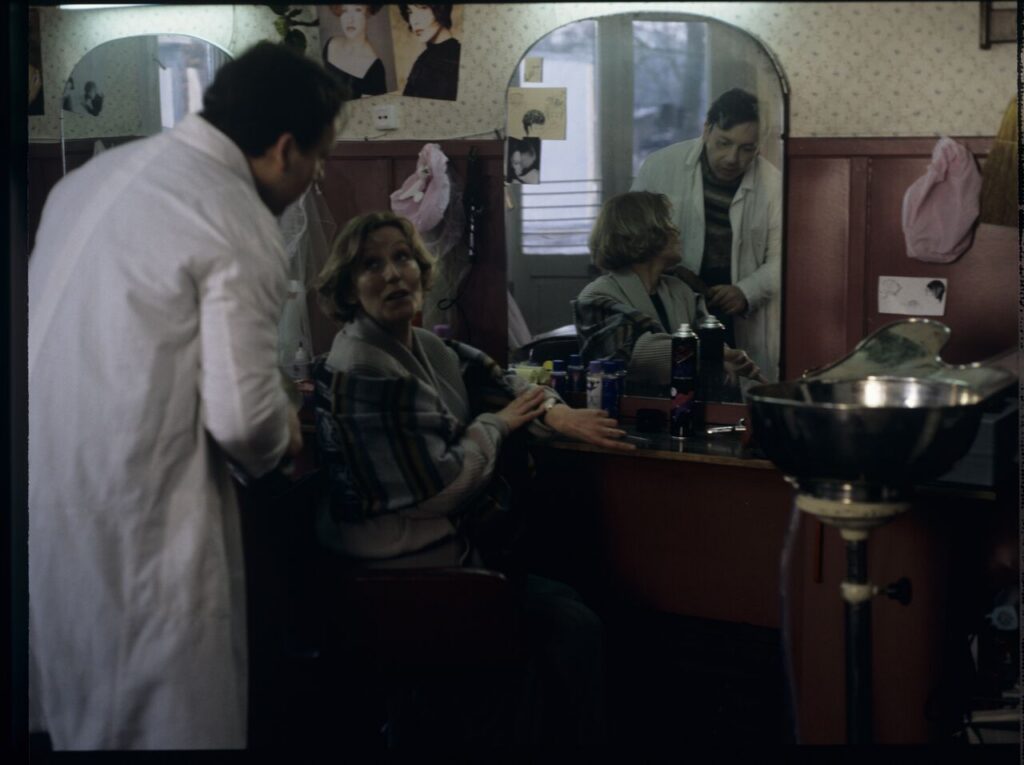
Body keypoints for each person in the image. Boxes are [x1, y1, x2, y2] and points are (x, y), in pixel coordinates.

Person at [28, 41, 347, 751]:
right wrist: (285, 426)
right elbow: (246, 423)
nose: (317, 176)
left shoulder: (86, 182)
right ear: (284, 150)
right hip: (144, 524)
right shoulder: (234, 215)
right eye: (321, 158)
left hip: (49, 513)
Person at [311, 211, 633, 746]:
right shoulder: (362, 367)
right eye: (370, 265)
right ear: (347, 288)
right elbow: (443, 488)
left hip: (450, 554)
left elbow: (499, 380)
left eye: (402, 257)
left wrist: (553, 413)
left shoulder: (423, 346)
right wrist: (497, 425)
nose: (393, 274)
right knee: (571, 628)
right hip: (399, 575)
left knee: (572, 603)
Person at [631, 88, 782, 382]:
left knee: (734, 386)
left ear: (759, 145)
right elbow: (632, 236)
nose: (732, 158)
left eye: (747, 149)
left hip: (736, 309)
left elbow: (784, 258)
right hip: (669, 300)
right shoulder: (660, 166)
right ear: (706, 129)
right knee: (675, 382)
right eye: (724, 143)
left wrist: (747, 291)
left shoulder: (773, 184)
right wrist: (674, 272)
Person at [574, 192, 763, 395]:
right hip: (623, 409)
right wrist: (712, 354)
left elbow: (709, 341)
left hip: (682, 406)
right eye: (667, 222)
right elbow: (636, 356)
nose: (676, 230)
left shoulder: (681, 290)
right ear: (640, 232)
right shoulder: (596, 297)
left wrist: (726, 360)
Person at [323, 4, 387, 98]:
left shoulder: (374, 69)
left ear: (368, 12)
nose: (350, 20)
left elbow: (372, 107)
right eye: (345, 10)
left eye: (357, 10)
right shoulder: (330, 45)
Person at [399, 4, 460, 101]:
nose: (415, 21)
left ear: (442, 10)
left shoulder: (457, 58)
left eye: (423, 8)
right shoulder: (424, 58)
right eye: (410, 12)